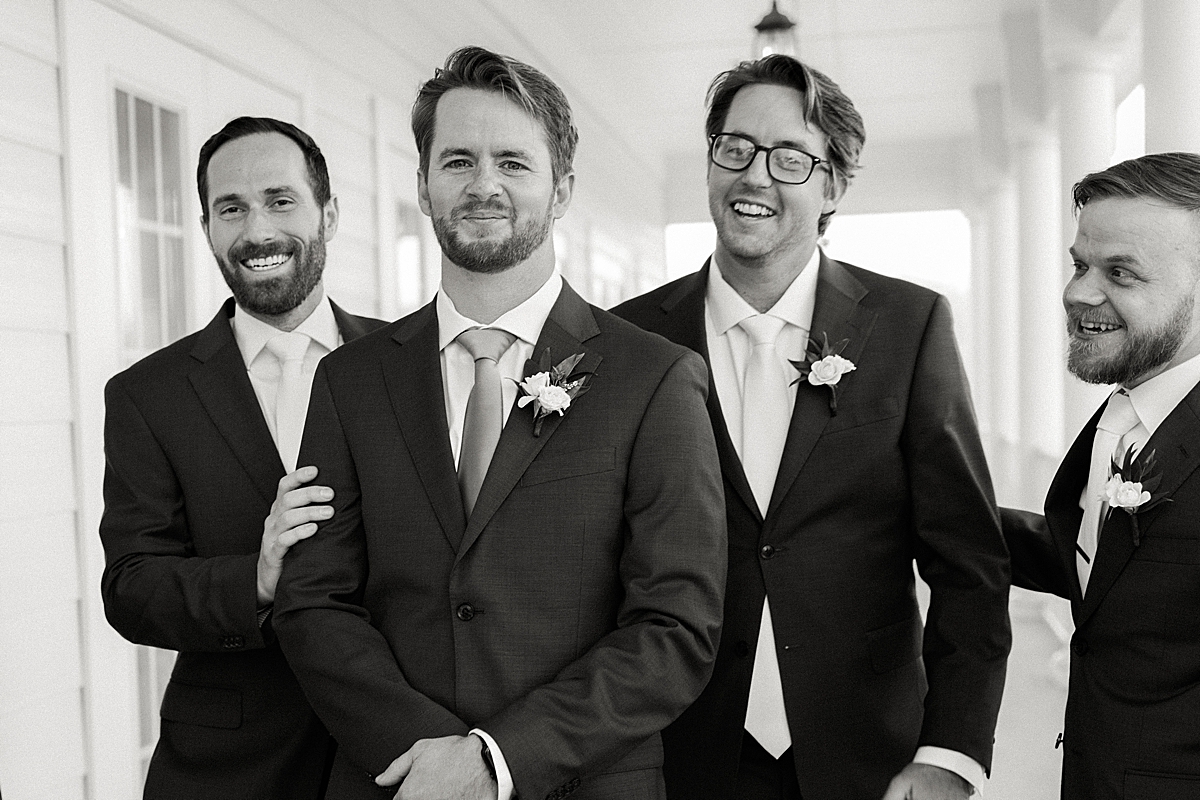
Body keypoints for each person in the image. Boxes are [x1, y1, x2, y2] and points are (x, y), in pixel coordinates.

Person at [272, 46, 727, 800]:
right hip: (394, 781)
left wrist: (494, 759)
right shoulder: (351, 379)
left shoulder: (655, 379)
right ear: (422, 186)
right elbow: (315, 599)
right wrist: (426, 756)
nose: (484, 184)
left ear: (561, 190)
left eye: (513, 162)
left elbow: (675, 628)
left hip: (584, 781)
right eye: (458, 160)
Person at [613, 54, 1011, 800]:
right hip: (674, 753)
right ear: (710, 164)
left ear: (832, 185)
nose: (756, 177)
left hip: (871, 756)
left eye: (791, 158)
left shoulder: (909, 324)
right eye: (736, 149)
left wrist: (952, 753)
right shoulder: (631, 339)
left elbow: (968, 561)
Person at [100, 116, 385, 798]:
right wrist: (254, 579)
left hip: (390, 755)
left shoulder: (403, 365)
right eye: (232, 208)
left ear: (329, 214)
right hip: (227, 770)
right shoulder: (148, 395)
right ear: (206, 230)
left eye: (280, 200)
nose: (257, 231)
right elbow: (132, 588)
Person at [1003, 152, 1200, 800]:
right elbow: (1097, 565)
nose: (1076, 293)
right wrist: (924, 505)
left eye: (1119, 271)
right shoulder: (1126, 411)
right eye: (1079, 264)